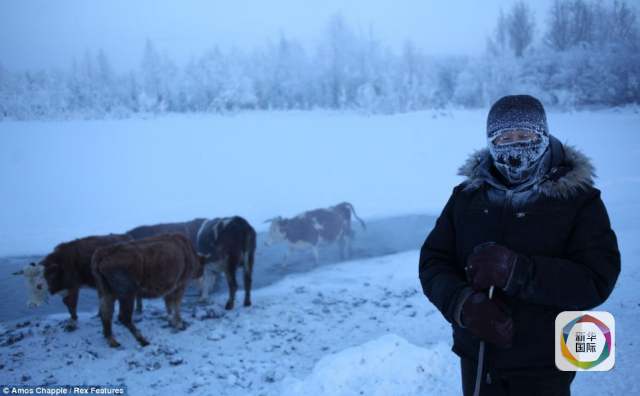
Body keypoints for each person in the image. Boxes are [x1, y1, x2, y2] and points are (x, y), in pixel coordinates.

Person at [418, 95, 620, 396]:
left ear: (543, 135)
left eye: (524, 136)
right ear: (491, 142)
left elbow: (596, 279)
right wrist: (462, 304)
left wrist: (518, 271)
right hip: (478, 360)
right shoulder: (466, 198)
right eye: (504, 137)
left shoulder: (579, 200)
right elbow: (433, 262)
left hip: (545, 366)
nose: (515, 146)